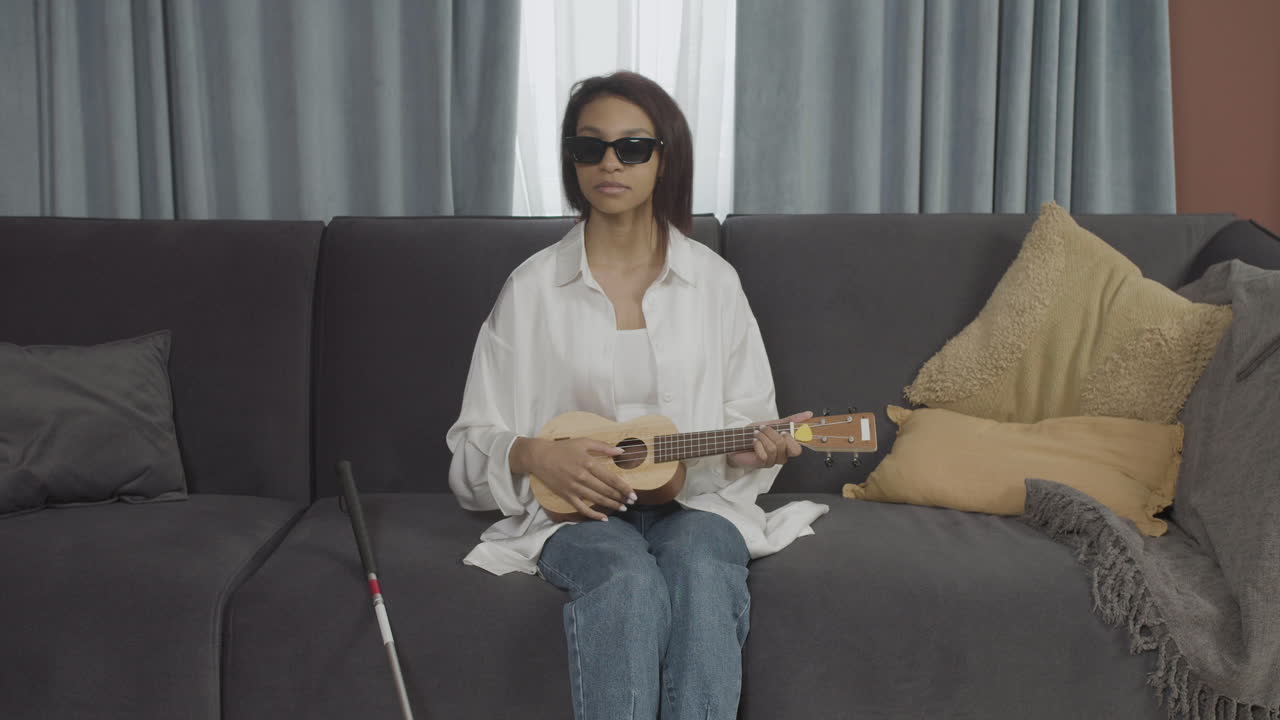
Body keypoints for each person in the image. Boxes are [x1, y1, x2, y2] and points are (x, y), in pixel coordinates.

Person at [446, 70, 829, 720]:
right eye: (589, 147)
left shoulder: (715, 284)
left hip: (698, 505)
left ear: (664, 157)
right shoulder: (532, 289)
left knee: (703, 573)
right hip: (576, 517)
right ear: (571, 160)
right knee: (625, 582)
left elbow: (746, 420)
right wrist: (535, 455)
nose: (609, 163)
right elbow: (469, 451)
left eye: (632, 147)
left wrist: (751, 452)